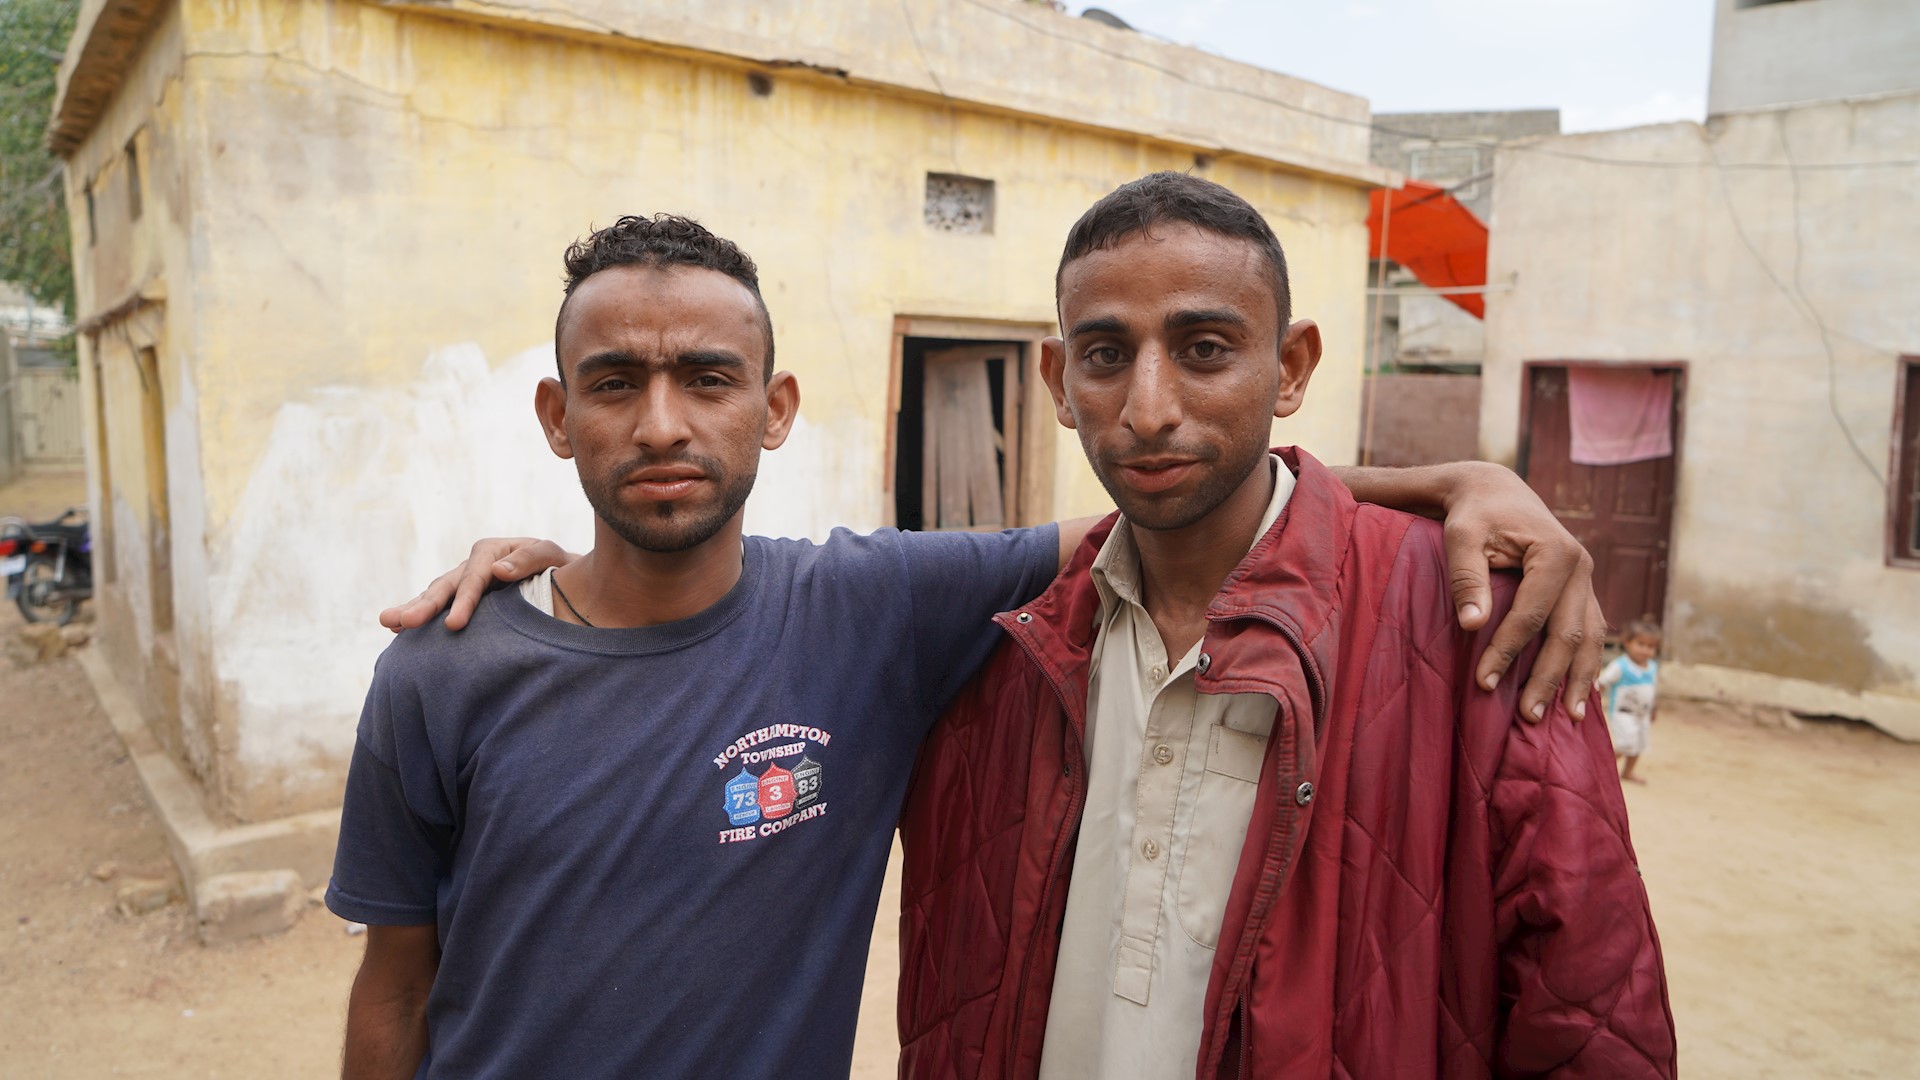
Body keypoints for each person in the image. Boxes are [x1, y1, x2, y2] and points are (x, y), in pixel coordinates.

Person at [349, 212, 1605, 1080]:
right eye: (615, 383)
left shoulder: (873, 611)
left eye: (710, 379)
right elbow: (396, 989)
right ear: (557, 418)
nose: (663, 424)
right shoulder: (442, 670)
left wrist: (1456, 481)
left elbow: (1170, 490)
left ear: (775, 410)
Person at [893, 173, 1675, 1079]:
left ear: (1292, 367)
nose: (1150, 409)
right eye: (1106, 356)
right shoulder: (1005, 645)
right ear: (1060, 382)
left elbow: (1589, 1010)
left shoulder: (1481, 622)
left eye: (1206, 349)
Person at [1599, 617, 1662, 784]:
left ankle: (1627, 772)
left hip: (1643, 714)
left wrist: (1654, 708)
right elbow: (1603, 683)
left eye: (1650, 647)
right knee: (1626, 743)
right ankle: (1602, 770)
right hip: (1623, 713)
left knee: (1639, 744)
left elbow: (1652, 689)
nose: (1645, 650)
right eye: (1641, 644)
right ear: (1627, 642)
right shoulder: (1620, 666)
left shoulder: (1652, 667)